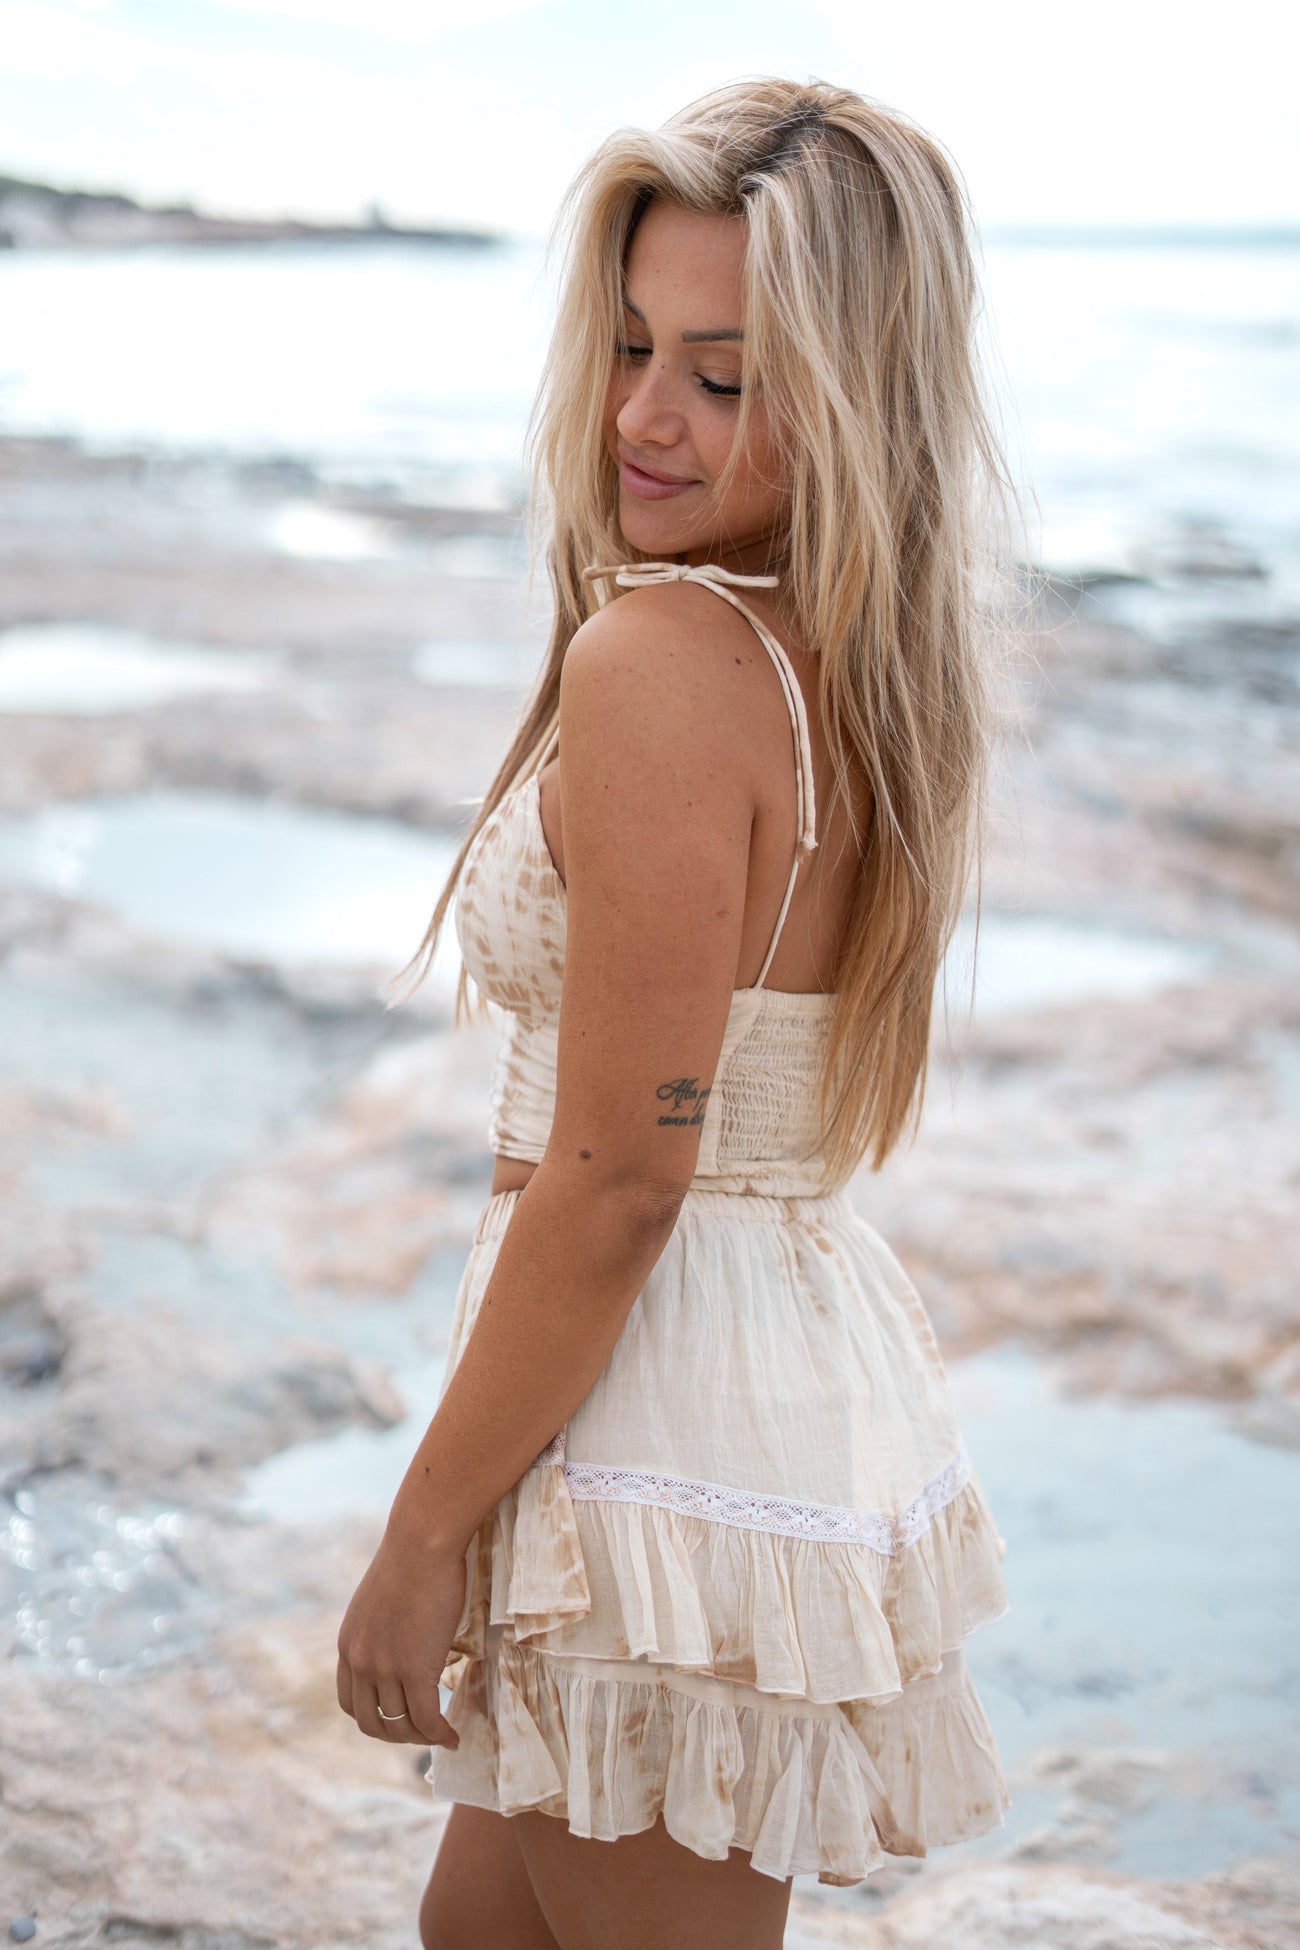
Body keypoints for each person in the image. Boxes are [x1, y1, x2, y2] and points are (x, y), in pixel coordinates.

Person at [336, 74, 1024, 1950]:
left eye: (724, 376)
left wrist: (419, 1533)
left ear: (858, 396)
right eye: (635, 345)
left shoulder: (662, 659)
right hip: (732, 1375)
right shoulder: (847, 662)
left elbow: (625, 1178)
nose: (645, 415)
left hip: (652, 1418)